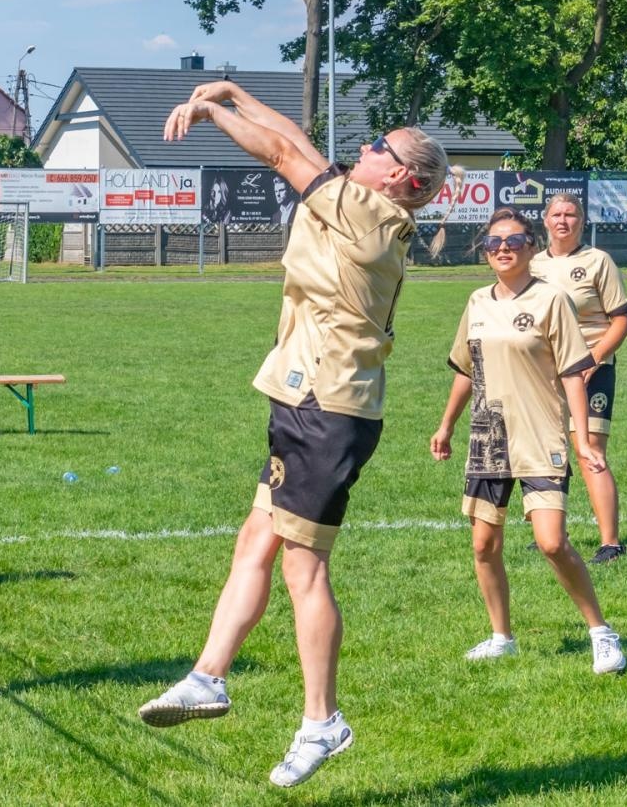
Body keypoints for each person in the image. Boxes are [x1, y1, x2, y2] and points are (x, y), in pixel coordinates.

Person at [138, 79, 452, 789]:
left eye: (379, 146)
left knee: (302, 567)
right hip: (309, 399)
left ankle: (322, 720)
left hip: (328, 408)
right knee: (256, 540)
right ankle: (208, 676)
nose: (365, 149)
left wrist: (213, 112)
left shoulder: (368, 212)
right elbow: (300, 145)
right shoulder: (357, 197)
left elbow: (283, 150)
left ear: (404, 177)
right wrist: (234, 89)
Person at [430, 208, 627, 676]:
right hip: (489, 435)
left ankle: (601, 632)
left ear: (530, 247)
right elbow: (466, 369)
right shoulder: (477, 301)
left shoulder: (552, 300)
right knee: (483, 545)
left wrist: (583, 439)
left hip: (540, 434)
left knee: (552, 542)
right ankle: (502, 638)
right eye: (493, 241)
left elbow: (574, 374)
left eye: (513, 240)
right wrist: (446, 425)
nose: (502, 248)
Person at [531, 192, 627, 563]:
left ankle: (610, 542)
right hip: (544, 371)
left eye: (570, 214)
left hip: (591, 370)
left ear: (582, 221)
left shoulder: (597, 261)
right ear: (545, 221)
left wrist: (594, 358)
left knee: (589, 449)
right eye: (556, 214)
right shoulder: (533, 264)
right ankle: (551, 532)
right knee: (547, 452)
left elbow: (621, 321)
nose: (563, 220)